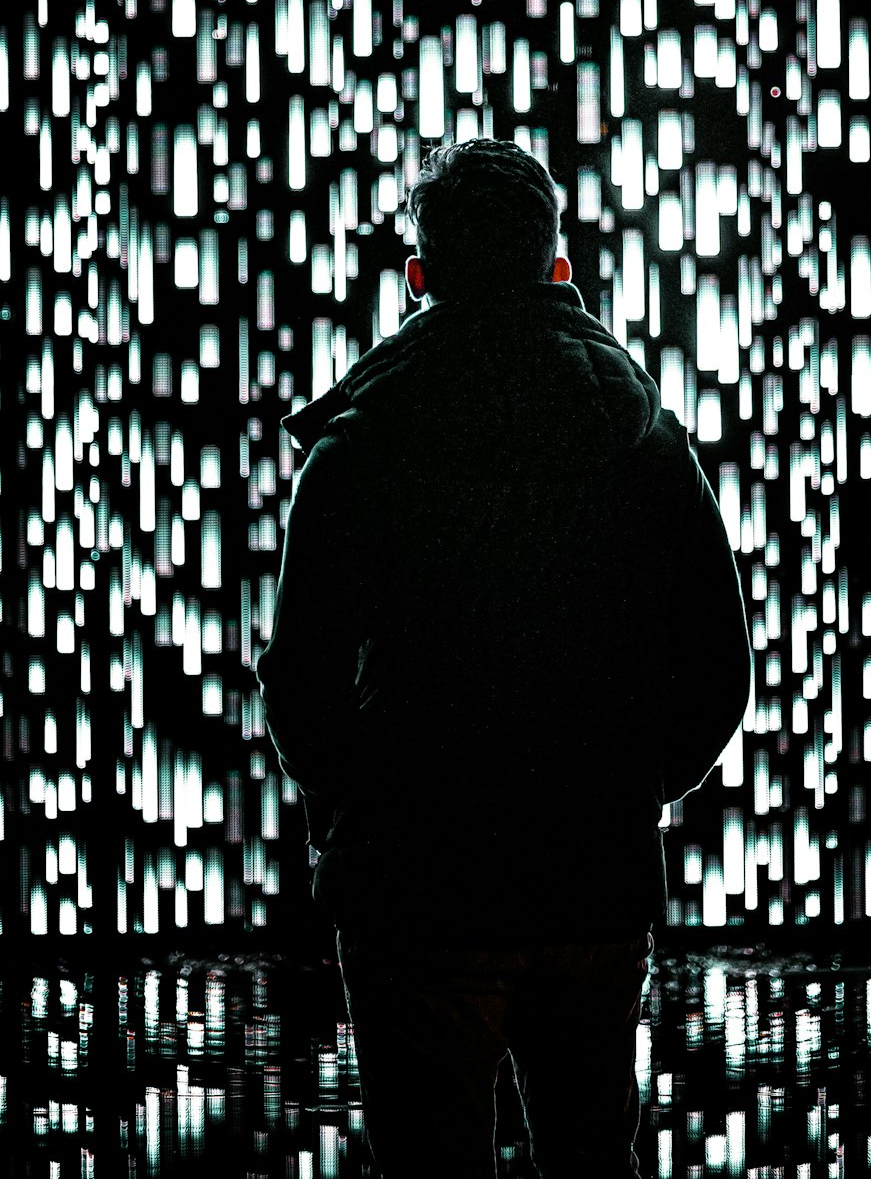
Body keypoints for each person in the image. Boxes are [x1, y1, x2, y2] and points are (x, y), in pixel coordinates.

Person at [256, 137, 752, 1179]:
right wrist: (629, 786)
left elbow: (299, 678)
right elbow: (716, 664)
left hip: (415, 887)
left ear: (420, 278)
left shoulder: (357, 450)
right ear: (556, 269)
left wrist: (363, 802)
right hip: (592, 877)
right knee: (587, 1156)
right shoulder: (643, 441)